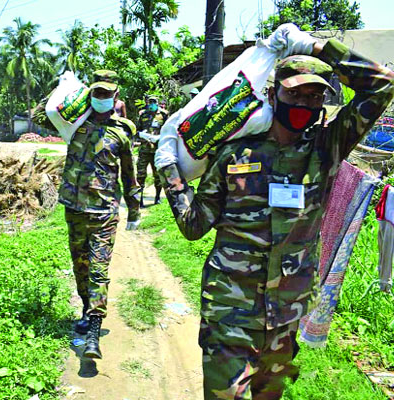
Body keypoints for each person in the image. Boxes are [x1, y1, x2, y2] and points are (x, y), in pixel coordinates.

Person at [157, 35, 394, 398]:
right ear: (272, 96)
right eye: (294, 94)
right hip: (229, 313)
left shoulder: (325, 148)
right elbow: (193, 227)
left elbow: (381, 85)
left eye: (314, 97)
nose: (304, 103)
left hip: (286, 315)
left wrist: (316, 47)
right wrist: (171, 173)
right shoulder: (233, 155)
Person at [59, 69, 141, 359]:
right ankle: (86, 308)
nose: (102, 98)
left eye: (107, 94)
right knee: (80, 267)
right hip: (75, 209)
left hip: (104, 212)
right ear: (90, 94)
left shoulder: (121, 132)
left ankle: (94, 331)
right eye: (97, 93)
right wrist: (67, 88)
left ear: (115, 96)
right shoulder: (73, 124)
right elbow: (43, 115)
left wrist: (134, 210)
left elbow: (130, 176)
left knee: (98, 270)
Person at [136, 95, 168, 206]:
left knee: (158, 175)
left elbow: (168, 130)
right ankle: (139, 200)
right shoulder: (143, 114)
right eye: (150, 102)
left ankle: (157, 197)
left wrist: (159, 137)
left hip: (157, 150)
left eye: (154, 102)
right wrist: (141, 135)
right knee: (140, 175)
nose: (152, 104)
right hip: (144, 149)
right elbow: (137, 130)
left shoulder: (164, 114)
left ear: (157, 103)